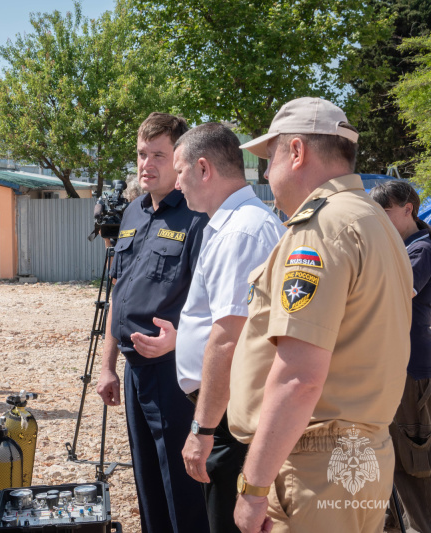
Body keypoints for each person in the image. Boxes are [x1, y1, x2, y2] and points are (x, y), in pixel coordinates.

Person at [229, 97, 412, 533]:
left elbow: (299, 378)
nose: (267, 173)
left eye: (268, 158)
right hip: (359, 455)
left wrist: (253, 490)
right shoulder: (375, 220)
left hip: (315, 465)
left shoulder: (320, 227)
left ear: (296, 152)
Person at [95, 112, 210, 533]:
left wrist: (178, 343)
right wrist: (108, 364)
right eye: (142, 154)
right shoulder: (132, 214)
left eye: (158, 155)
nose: (147, 164)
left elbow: (215, 306)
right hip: (134, 371)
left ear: (180, 158)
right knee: (147, 480)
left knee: (182, 483)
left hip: (176, 373)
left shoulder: (198, 216)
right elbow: (119, 294)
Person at [166, 123, 284, 532]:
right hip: (226, 408)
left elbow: (230, 338)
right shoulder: (235, 224)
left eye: (179, 171)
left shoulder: (241, 231)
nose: (176, 183)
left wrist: (203, 428)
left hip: (231, 417)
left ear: (203, 168)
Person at [371, 180, 431, 533]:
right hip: (394, 369)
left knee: (415, 466)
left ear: (408, 208)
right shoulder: (399, 246)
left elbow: (396, 293)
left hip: (412, 372)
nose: (379, 220)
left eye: (385, 212)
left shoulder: (420, 248)